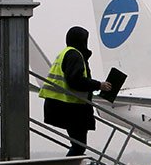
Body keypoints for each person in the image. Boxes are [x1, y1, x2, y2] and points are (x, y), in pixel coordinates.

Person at [39, 26, 112, 156]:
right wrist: (98, 85)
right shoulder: (75, 55)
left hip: (60, 105)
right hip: (70, 108)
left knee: (78, 146)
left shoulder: (66, 53)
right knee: (79, 147)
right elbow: (75, 81)